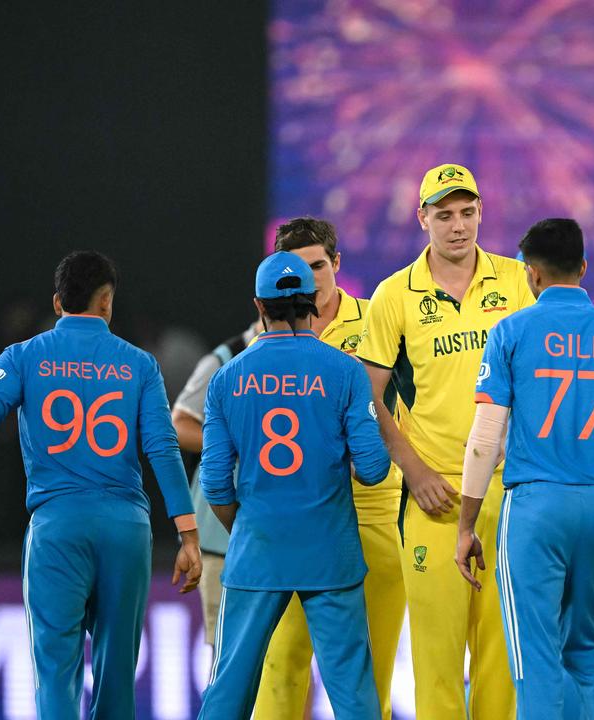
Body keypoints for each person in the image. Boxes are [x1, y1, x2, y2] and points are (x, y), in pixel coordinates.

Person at [0, 251, 202, 718]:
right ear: (107, 302)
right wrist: (187, 532)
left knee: (56, 673)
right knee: (117, 675)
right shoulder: (140, 365)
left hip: (57, 528)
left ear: (58, 303)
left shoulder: (22, 357)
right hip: (126, 529)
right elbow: (162, 447)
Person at [455, 218, 594, 719]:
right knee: (590, 651)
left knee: (536, 658)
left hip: (534, 507)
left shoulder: (510, 331)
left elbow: (486, 439)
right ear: (584, 267)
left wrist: (466, 523)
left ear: (531, 274)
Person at [357, 163, 535, 719]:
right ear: (422, 219)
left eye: (467, 212)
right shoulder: (394, 296)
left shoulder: (518, 280)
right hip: (437, 497)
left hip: (511, 492)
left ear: (481, 212)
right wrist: (413, 472)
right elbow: (369, 399)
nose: (458, 226)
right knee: (435, 664)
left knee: (502, 664)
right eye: (444, 214)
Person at [197, 251, 389, 719]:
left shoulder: (227, 379)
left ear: (260, 306)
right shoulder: (344, 371)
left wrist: (250, 527)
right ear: (313, 304)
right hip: (331, 551)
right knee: (354, 694)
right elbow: (374, 468)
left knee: (229, 689)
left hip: (257, 549)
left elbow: (216, 484)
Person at [250, 217, 407, 720]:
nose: (311, 279)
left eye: (319, 265)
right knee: (281, 669)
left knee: (371, 679)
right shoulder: (263, 347)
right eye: (298, 269)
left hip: (375, 516)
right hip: (302, 519)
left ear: (337, 264)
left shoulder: (381, 324)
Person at [172, 320, 257, 649]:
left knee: (290, 659)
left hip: (279, 535)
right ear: (261, 307)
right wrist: (234, 443)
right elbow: (179, 425)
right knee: (228, 655)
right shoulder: (224, 361)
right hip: (220, 539)